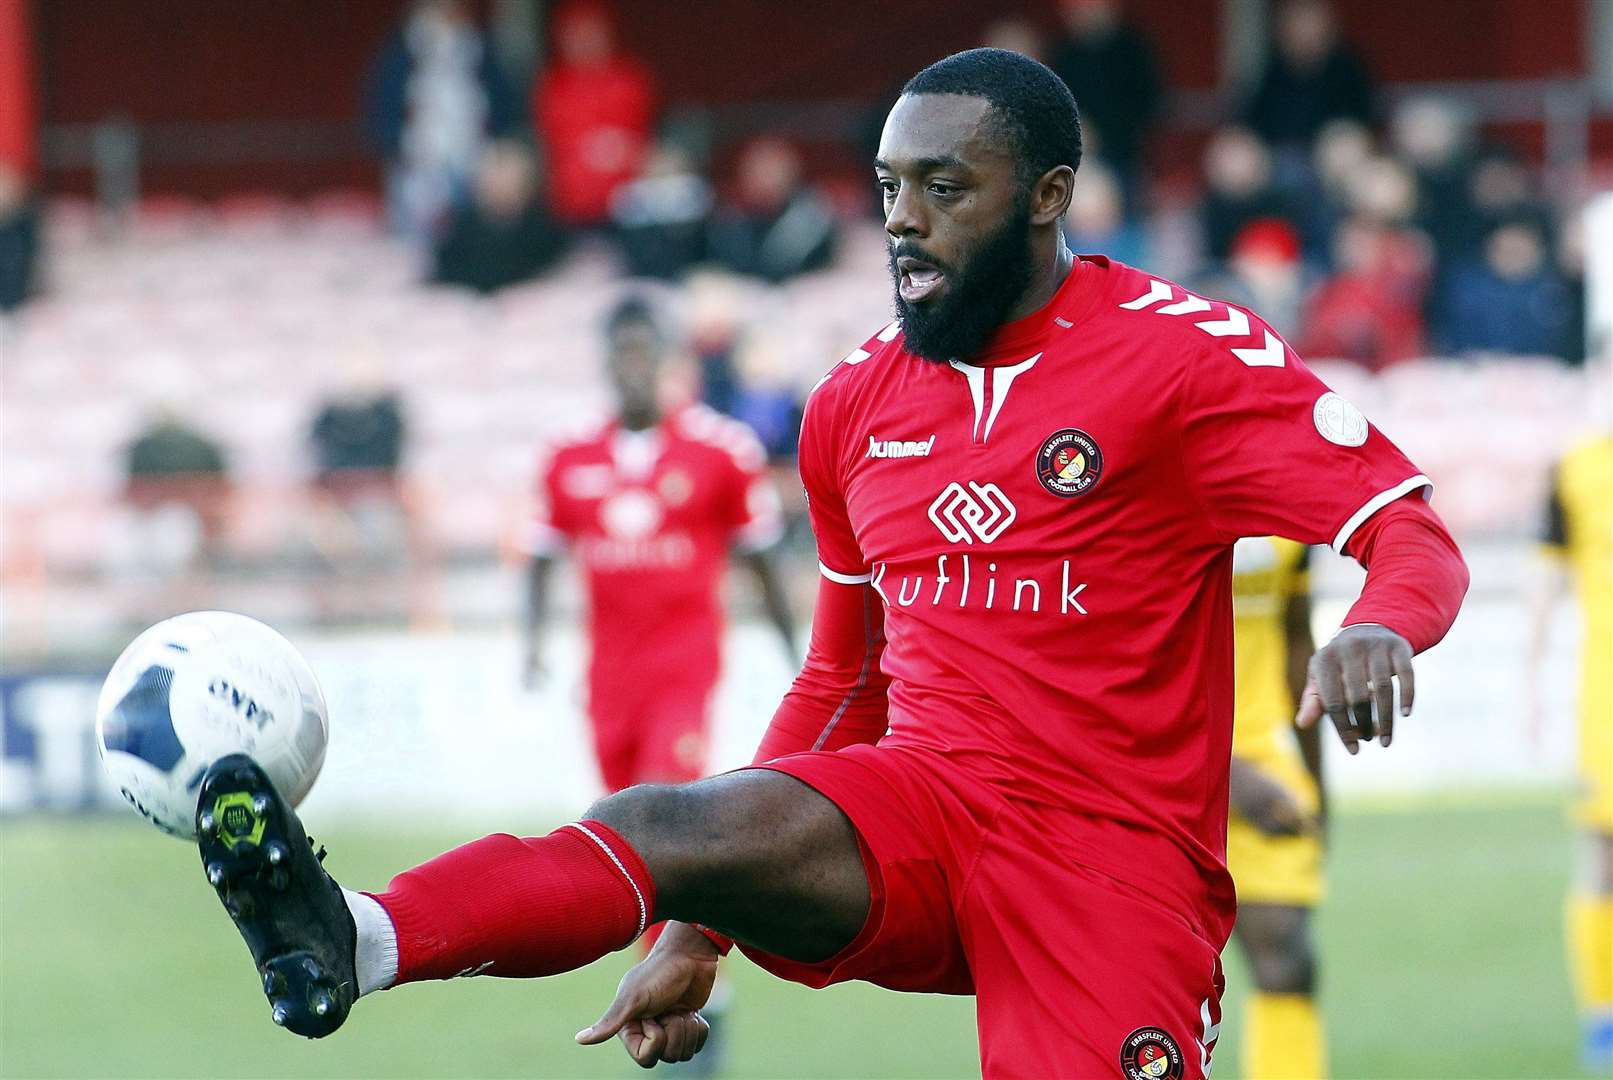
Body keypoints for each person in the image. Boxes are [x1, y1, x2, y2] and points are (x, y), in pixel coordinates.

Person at [189, 50, 1468, 1076]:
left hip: (1109, 857)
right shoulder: (854, 404)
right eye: (886, 185)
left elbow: (1403, 529)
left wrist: (1382, 623)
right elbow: (840, 682)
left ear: (1046, 194)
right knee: (661, 823)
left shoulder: (1181, 361)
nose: (901, 222)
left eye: (942, 188)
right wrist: (702, 916)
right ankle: (351, 937)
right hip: (922, 809)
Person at [521, 294, 798, 795]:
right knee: (618, 810)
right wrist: (532, 644)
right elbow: (541, 556)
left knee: (663, 805)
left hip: (684, 665)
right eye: (622, 354)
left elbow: (761, 557)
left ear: (668, 360)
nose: (633, 367)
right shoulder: (566, 454)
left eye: (644, 353)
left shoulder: (723, 450)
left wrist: (793, 647)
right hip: (607, 669)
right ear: (605, 361)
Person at [1225, 538, 1328, 1080]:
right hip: (1143, 762)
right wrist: (1227, 773)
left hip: (1265, 763)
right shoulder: (1131, 490)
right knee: (1141, 970)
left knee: (1288, 959)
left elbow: (1296, 640)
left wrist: (1317, 783)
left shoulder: (1287, 511)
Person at [1530, 427, 1613, 1074]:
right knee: (1601, 859)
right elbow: (1546, 583)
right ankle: (1600, 1017)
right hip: (1604, 701)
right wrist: (1530, 683)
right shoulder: (1576, 468)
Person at [364, 0, 521, 243]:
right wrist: (398, 145)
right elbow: (383, 106)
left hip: (473, 160)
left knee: (473, 235)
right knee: (416, 243)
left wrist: (498, 149)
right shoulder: (403, 53)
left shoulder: (480, 51)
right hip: (418, 162)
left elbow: (504, 106)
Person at [532, 0, 656, 230]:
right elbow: (554, 146)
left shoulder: (629, 79)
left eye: (591, 33)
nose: (583, 42)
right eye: (575, 35)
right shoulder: (553, 86)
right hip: (567, 210)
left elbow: (639, 142)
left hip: (627, 205)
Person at [431, 141, 568, 294]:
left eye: (507, 175)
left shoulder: (544, 231)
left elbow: (548, 278)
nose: (498, 182)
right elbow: (444, 275)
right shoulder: (462, 227)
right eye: (494, 173)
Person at [706, 138, 837, 284]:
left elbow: (823, 273)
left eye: (771, 171)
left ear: (791, 175)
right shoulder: (726, 218)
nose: (763, 178)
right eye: (756, 170)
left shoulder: (813, 222)